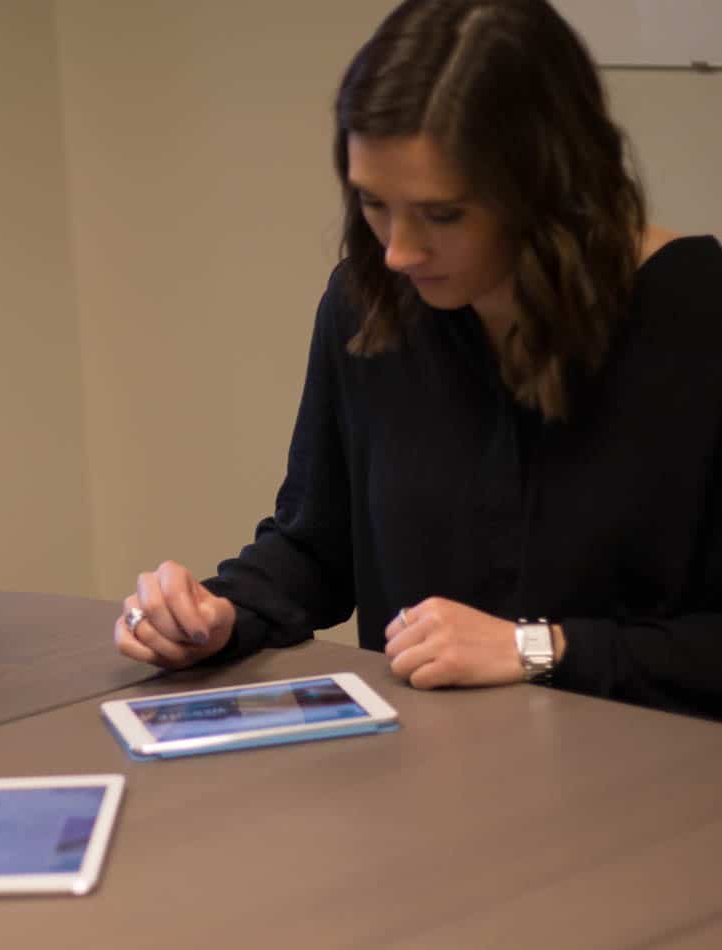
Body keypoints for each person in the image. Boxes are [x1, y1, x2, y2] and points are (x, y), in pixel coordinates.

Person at [113, 0, 722, 721]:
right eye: (373, 204)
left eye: (442, 215)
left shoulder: (698, 319)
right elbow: (317, 544)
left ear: (552, 185)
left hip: (660, 787)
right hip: (433, 777)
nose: (398, 251)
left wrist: (541, 648)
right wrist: (216, 614)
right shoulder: (371, 303)